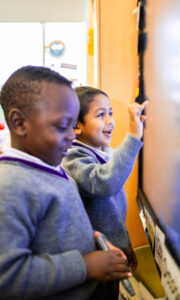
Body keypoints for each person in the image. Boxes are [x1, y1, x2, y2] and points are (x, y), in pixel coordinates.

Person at [0, 66, 132, 300]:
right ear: (19, 123)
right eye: (62, 126)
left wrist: (96, 238)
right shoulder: (11, 185)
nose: (72, 135)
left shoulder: (51, 166)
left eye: (73, 125)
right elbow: (8, 276)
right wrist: (86, 265)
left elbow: (58, 225)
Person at [62, 86, 148, 273]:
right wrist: (133, 137)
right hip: (96, 254)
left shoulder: (102, 151)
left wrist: (124, 241)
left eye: (110, 113)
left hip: (113, 244)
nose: (110, 121)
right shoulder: (73, 157)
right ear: (77, 125)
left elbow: (115, 169)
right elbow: (105, 182)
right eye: (101, 115)